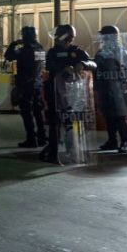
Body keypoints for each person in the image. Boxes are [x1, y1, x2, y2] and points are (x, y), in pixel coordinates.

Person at [41, 24, 96, 164]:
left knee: (71, 123)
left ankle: (73, 152)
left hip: (74, 94)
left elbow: (94, 64)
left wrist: (83, 64)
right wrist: (63, 68)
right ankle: (53, 151)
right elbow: (49, 66)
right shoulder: (53, 52)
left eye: (69, 37)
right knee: (55, 123)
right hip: (55, 92)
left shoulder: (76, 51)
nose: (67, 40)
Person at [93, 25, 127, 153]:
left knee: (120, 117)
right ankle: (112, 141)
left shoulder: (121, 52)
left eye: (104, 36)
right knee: (109, 116)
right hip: (105, 88)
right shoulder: (102, 52)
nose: (102, 39)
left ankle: (125, 142)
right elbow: (96, 70)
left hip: (118, 89)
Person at [4, 26, 47, 148]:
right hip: (37, 84)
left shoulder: (25, 50)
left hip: (25, 85)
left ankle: (31, 139)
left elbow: (8, 56)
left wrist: (13, 44)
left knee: (27, 113)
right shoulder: (40, 48)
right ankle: (42, 137)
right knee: (38, 112)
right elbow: (39, 66)